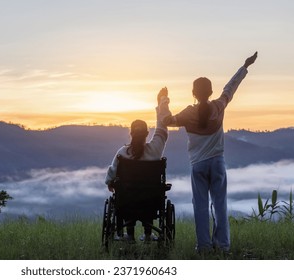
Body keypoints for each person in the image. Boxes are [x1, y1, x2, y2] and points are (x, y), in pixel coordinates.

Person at [163, 52, 258, 253]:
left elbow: (168, 121)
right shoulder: (218, 106)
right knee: (220, 205)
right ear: (211, 91)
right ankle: (223, 246)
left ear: (193, 93)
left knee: (200, 206)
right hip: (217, 163)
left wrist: (163, 103)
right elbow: (230, 88)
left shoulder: (188, 113)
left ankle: (204, 247)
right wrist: (244, 66)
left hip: (198, 165)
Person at [105, 87, 171, 241]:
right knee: (146, 198)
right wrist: (161, 104)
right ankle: (148, 235)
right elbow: (162, 130)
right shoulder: (155, 150)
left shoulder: (122, 153)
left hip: (126, 202)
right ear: (147, 134)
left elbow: (112, 172)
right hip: (151, 203)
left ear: (131, 134)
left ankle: (129, 234)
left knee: (126, 196)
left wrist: (110, 183)